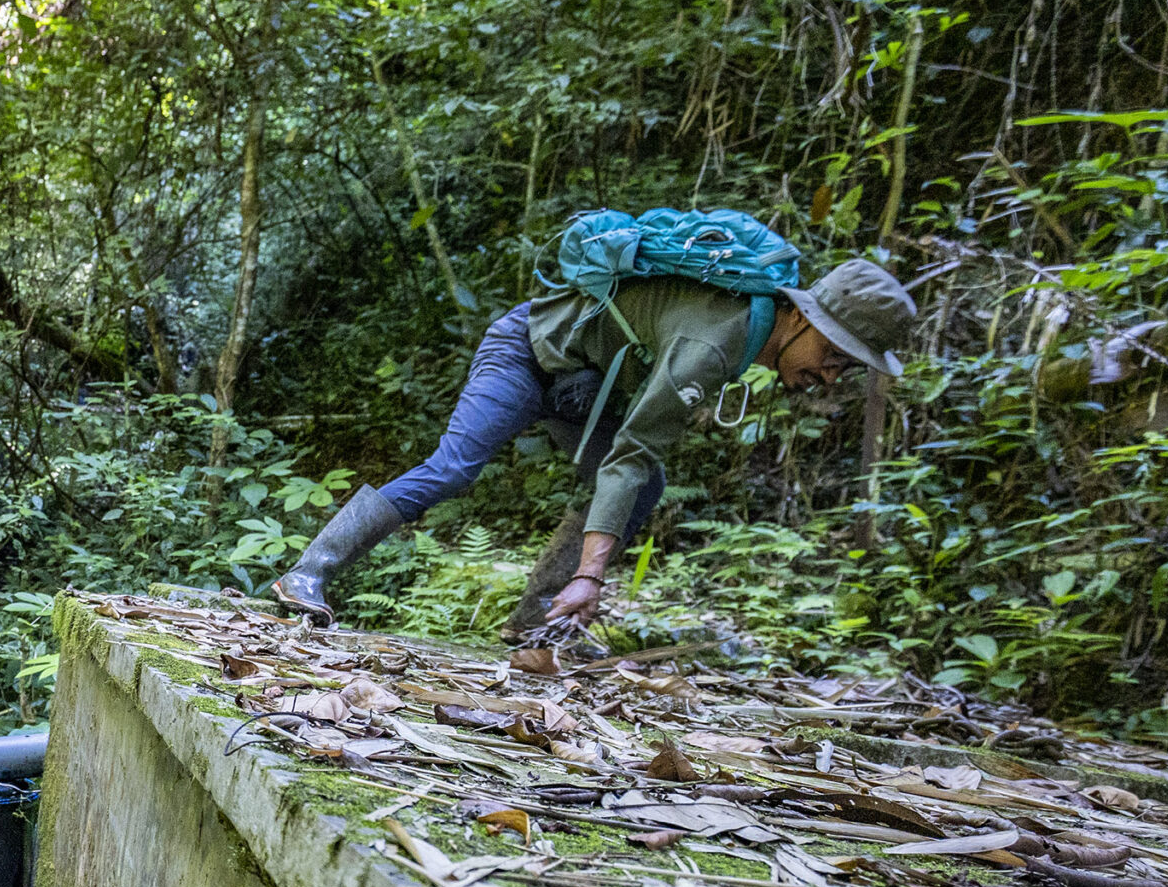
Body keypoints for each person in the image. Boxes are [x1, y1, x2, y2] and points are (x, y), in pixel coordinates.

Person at [270, 258, 918, 626]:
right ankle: (308, 573)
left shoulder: (749, 327)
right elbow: (635, 448)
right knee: (456, 468)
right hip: (527, 351)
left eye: (848, 368)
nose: (831, 374)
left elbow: (633, 453)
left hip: (584, 389)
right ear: (802, 314)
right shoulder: (714, 344)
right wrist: (592, 574)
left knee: (646, 486)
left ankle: (534, 633)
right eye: (834, 353)